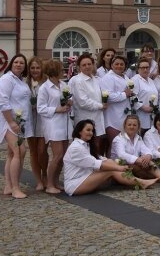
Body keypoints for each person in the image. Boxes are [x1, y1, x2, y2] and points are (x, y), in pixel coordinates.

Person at [64, 119, 157, 195]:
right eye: (88, 130)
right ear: (79, 131)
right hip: (75, 184)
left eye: (92, 131)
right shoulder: (76, 147)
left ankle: (138, 180)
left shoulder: (85, 145)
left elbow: (100, 159)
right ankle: (142, 183)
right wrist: (119, 167)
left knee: (110, 163)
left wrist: (113, 163)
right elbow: (96, 164)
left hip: (85, 176)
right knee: (111, 170)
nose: (91, 133)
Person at [0, 54, 30, 199]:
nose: (19, 64)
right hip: (9, 121)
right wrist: (11, 122)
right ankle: (15, 188)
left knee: (11, 153)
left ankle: (8, 186)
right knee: (19, 151)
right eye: (16, 62)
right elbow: (3, 102)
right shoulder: (6, 79)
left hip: (20, 122)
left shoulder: (21, 81)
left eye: (22, 63)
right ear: (11, 64)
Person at [37, 59, 72, 194]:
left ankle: (56, 181)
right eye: (61, 69)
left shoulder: (63, 85)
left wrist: (69, 102)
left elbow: (68, 100)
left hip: (65, 123)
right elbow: (41, 108)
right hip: (53, 124)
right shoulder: (44, 88)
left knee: (63, 156)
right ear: (54, 72)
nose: (63, 71)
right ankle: (50, 183)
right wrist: (57, 109)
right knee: (57, 155)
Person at [111, 114, 160, 187]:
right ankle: (154, 179)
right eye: (129, 125)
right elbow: (121, 155)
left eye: (134, 125)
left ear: (138, 127)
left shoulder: (138, 138)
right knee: (139, 165)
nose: (132, 127)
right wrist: (138, 160)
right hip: (121, 166)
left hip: (136, 164)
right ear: (125, 126)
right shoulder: (118, 139)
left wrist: (148, 156)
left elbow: (146, 150)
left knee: (149, 162)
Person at [71, 53, 108, 156]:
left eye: (89, 64)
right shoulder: (78, 81)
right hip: (85, 120)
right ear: (79, 67)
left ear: (93, 65)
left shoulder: (96, 80)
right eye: (84, 65)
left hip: (97, 119)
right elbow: (83, 102)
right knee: (85, 150)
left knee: (96, 148)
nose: (87, 66)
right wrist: (101, 106)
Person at [102, 55, 134, 150]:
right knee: (114, 146)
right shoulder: (108, 78)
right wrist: (125, 94)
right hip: (113, 118)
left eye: (121, 64)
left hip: (125, 116)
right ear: (111, 65)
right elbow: (108, 96)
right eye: (116, 64)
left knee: (124, 146)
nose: (119, 66)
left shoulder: (125, 77)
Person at [26, 57, 48, 190]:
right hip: (30, 119)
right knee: (33, 152)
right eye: (33, 68)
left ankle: (45, 173)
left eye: (37, 68)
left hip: (43, 121)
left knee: (42, 150)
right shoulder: (25, 83)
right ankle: (38, 180)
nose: (35, 70)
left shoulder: (46, 83)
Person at [133, 57, 158, 134]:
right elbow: (132, 96)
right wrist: (143, 107)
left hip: (152, 115)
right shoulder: (135, 79)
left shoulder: (150, 80)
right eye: (143, 68)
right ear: (138, 69)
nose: (145, 70)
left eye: (147, 67)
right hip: (141, 114)